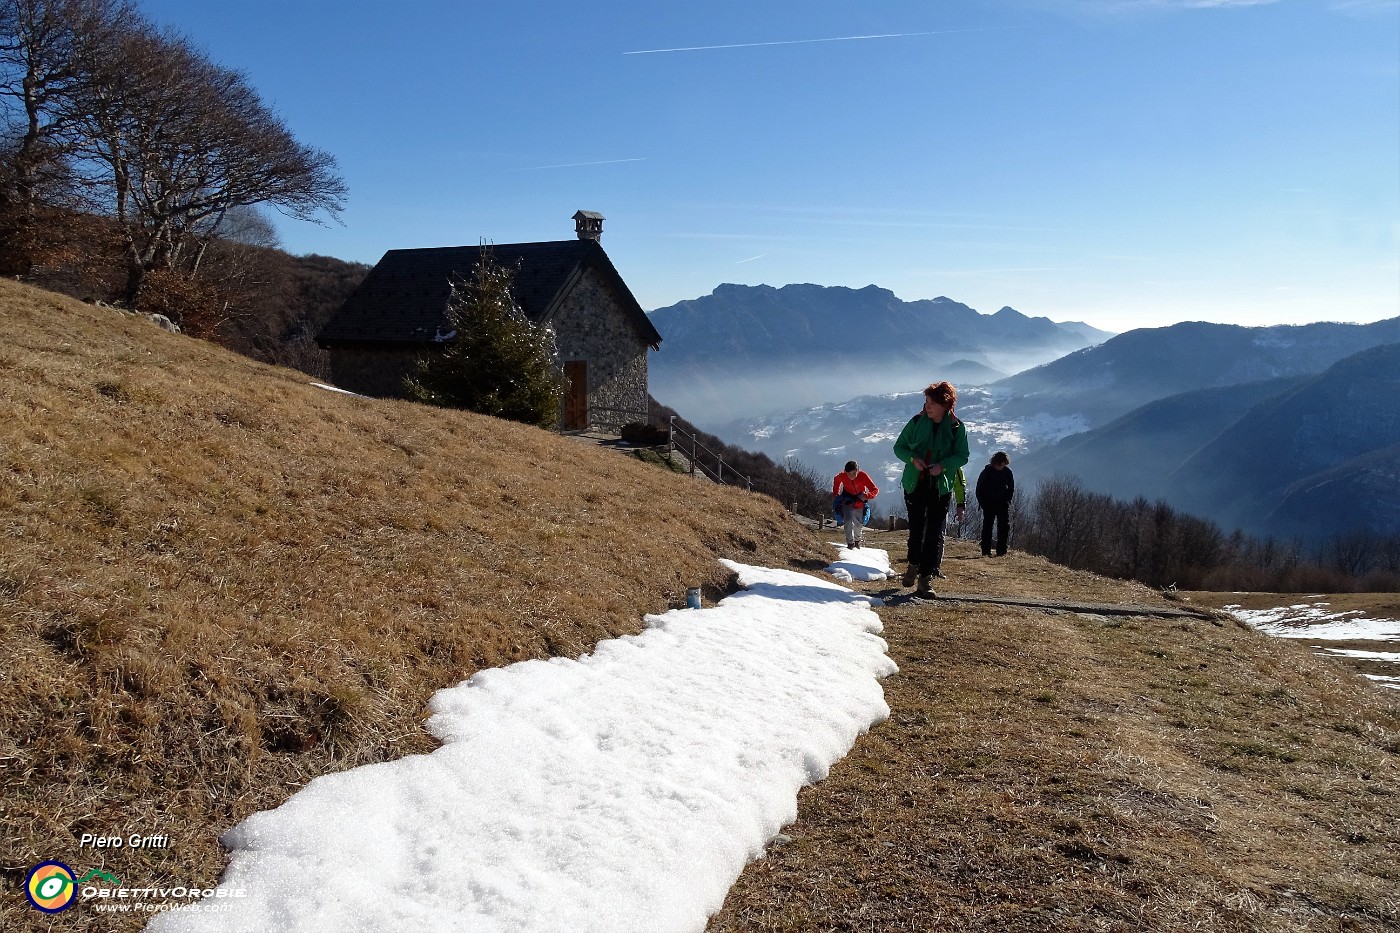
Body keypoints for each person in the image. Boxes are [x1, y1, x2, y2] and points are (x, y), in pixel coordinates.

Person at [893, 382, 970, 595]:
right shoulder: (917, 422)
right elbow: (899, 447)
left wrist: (943, 465)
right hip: (915, 483)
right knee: (916, 530)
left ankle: (925, 579)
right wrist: (912, 459)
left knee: (934, 533)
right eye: (926, 402)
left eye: (932, 403)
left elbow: (962, 455)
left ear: (945, 406)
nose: (927, 407)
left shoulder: (956, 428)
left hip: (940, 486)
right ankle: (913, 565)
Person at [975, 451, 1015, 557]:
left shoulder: (1007, 472)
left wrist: (1007, 500)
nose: (1000, 466)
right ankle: (985, 551)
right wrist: (983, 504)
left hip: (1002, 504)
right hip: (988, 504)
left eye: (1003, 465)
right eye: (999, 464)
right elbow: (979, 489)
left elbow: (1011, 487)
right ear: (995, 463)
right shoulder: (986, 472)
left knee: (1004, 527)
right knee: (987, 526)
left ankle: (1001, 551)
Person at [832, 460, 878, 549]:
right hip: (847, 498)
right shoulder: (843, 476)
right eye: (849, 474)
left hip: (859, 499)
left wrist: (867, 496)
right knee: (848, 521)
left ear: (858, 471)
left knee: (858, 524)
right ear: (845, 472)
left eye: (853, 473)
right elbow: (836, 479)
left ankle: (857, 541)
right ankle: (850, 543)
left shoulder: (863, 476)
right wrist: (835, 493)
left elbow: (874, 489)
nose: (851, 476)